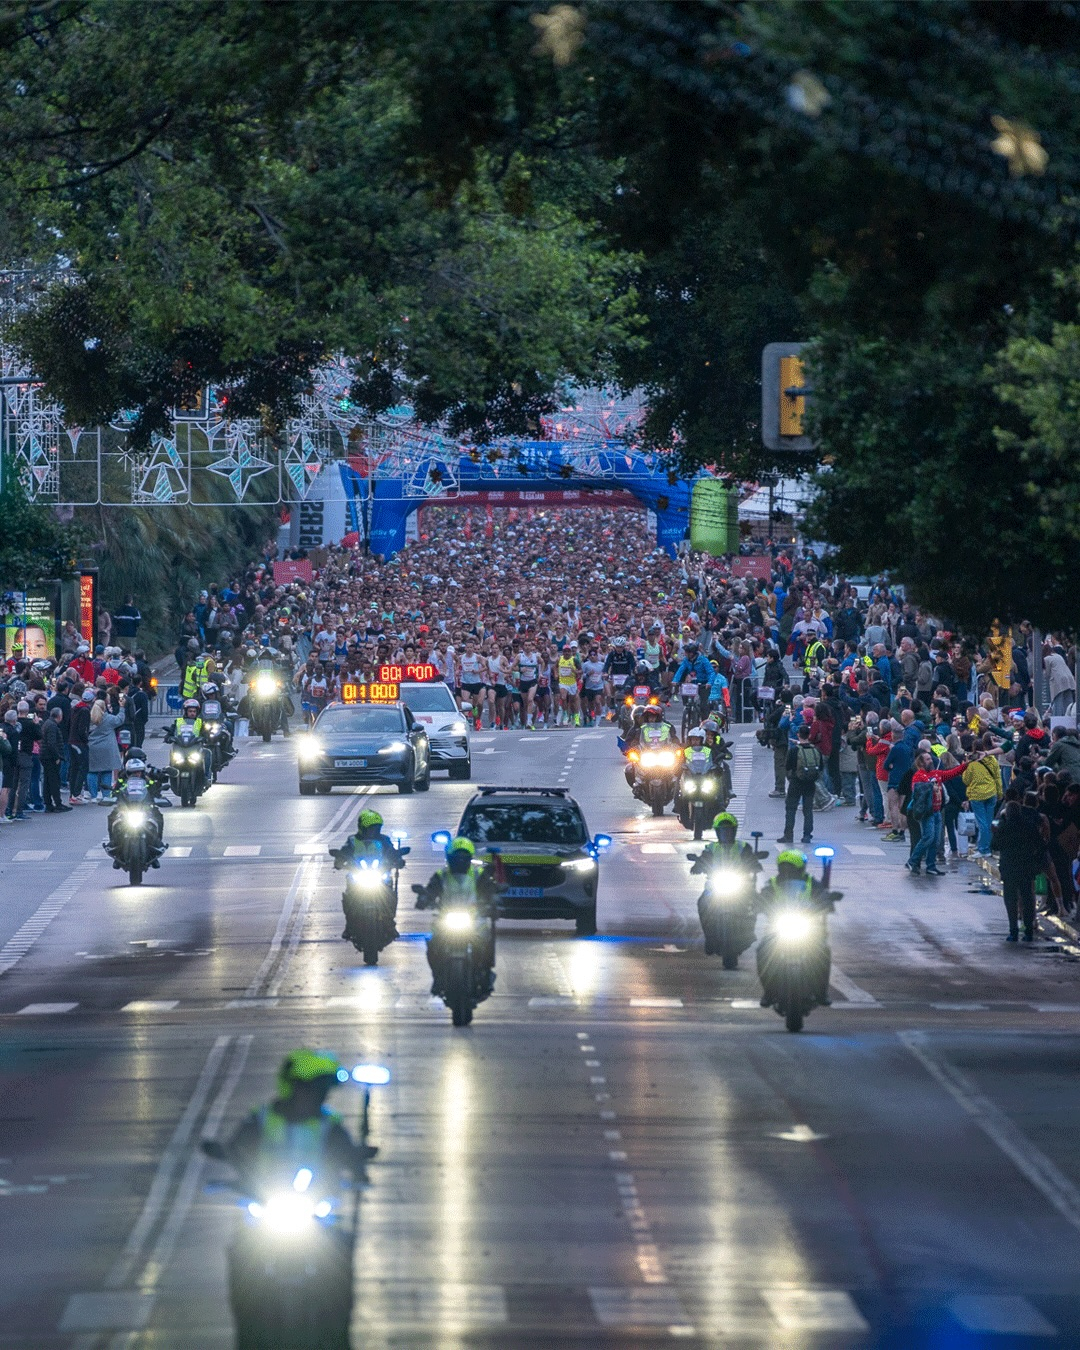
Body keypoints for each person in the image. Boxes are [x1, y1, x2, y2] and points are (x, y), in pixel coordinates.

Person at [414, 836, 498, 994]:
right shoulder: (442, 875)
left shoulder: (478, 874)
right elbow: (432, 889)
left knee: (485, 943)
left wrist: (493, 899)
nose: (460, 861)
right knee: (433, 945)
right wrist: (424, 898)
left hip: (474, 918)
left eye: (464, 857)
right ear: (449, 858)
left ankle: (485, 974)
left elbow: (489, 889)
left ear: (470, 858)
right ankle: (438, 978)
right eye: (456, 857)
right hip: (446, 918)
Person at [756, 850, 835, 1008]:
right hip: (778, 928)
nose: (788, 872)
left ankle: (821, 992)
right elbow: (763, 897)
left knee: (823, 953)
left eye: (792, 868)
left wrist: (827, 901)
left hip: (807, 928)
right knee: (763, 951)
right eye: (785, 868)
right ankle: (769, 991)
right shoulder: (773, 883)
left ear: (801, 869)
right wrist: (758, 904)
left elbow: (822, 897)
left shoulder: (811, 884)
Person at [331, 808, 407, 940]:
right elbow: (344, 853)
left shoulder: (384, 840)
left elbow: (392, 852)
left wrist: (398, 859)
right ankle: (349, 925)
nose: (373, 831)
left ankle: (389, 923)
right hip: (358, 874)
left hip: (380, 874)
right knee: (350, 896)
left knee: (389, 894)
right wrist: (339, 860)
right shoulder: (353, 841)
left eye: (376, 828)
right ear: (363, 828)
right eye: (371, 828)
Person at [904, 751, 966, 876]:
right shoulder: (918, 775)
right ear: (921, 763)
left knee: (935, 840)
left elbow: (952, 773)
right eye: (927, 759)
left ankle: (930, 866)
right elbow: (916, 790)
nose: (931, 761)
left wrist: (966, 765)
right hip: (927, 812)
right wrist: (930, 786)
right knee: (928, 838)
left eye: (930, 759)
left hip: (937, 811)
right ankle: (912, 861)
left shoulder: (936, 774)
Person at [992, 798, 1044, 941]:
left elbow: (994, 845)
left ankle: (1013, 930)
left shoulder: (1004, 827)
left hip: (1009, 867)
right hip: (1026, 866)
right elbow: (1040, 844)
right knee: (1027, 897)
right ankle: (1028, 930)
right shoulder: (1029, 826)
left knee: (1011, 899)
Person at [777, 723, 822, 846]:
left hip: (796, 782)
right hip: (810, 783)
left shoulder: (794, 750)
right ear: (809, 735)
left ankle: (788, 834)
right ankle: (807, 835)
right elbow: (821, 766)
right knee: (808, 810)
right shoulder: (815, 750)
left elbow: (788, 766)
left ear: (798, 735)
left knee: (791, 808)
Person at [962, 734, 1003, 856]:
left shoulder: (972, 763)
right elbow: (997, 777)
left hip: (977, 795)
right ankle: (987, 847)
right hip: (991, 793)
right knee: (989, 821)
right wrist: (999, 792)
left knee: (982, 823)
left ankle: (983, 849)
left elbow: (966, 780)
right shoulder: (992, 760)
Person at [87, 692, 125, 802]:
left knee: (92, 771)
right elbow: (120, 720)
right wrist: (122, 708)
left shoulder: (90, 717)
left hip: (92, 746)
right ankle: (106, 795)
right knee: (106, 771)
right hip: (107, 748)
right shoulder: (108, 718)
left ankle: (93, 795)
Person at [39, 707, 70, 813]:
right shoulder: (52, 726)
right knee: (54, 780)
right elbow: (51, 743)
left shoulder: (48, 723)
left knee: (48, 780)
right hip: (50, 757)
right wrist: (57, 756)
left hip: (45, 755)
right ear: (60, 716)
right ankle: (57, 803)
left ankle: (48, 803)